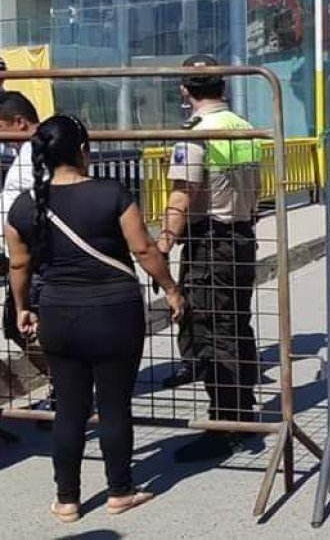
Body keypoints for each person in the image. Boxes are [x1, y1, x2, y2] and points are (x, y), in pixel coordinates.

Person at [6, 115, 185, 523]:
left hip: (57, 313)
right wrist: (171, 289)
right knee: (113, 405)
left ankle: (67, 500)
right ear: (84, 150)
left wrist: (21, 308)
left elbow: (19, 264)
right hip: (114, 313)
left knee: (69, 409)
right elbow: (143, 250)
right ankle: (120, 491)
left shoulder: (24, 205)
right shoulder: (112, 194)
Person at [157, 55, 263, 462]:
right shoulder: (243, 126)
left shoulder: (195, 134)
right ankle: (244, 407)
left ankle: (225, 424)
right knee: (237, 322)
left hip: (210, 240)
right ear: (225, 85)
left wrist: (163, 245)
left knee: (212, 330)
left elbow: (182, 195)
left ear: (185, 90)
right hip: (241, 234)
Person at [0, 89, 56, 420]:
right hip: (25, 256)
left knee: (28, 325)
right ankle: (64, 384)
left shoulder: (40, 152)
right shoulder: (33, 151)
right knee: (19, 325)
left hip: (33, 258)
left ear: (19, 123)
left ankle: (65, 387)